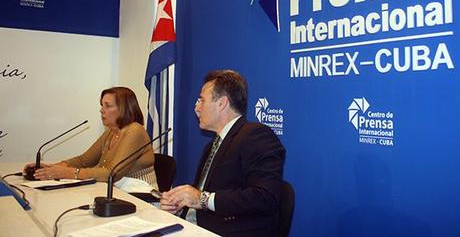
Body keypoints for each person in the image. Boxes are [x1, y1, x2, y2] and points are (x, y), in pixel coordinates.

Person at [160, 70, 286, 237]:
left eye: (201, 100)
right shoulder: (212, 145)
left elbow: (264, 197)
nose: (196, 108)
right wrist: (181, 205)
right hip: (199, 227)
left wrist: (202, 199)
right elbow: (203, 198)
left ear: (222, 103)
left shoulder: (256, 136)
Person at [23, 87, 158, 190]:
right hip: (115, 191)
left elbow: (112, 173)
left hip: (140, 196)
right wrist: (50, 168)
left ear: (123, 109)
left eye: (108, 106)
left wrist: (69, 173)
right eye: (101, 105)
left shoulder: (134, 130)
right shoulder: (112, 132)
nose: (101, 110)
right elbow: (83, 161)